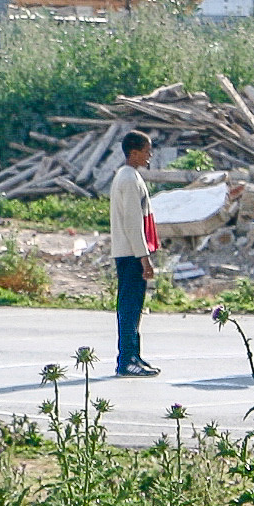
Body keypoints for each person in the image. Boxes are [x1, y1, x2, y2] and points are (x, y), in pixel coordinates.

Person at [108, 129, 158, 376]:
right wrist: (144, 258)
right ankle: (126, 359)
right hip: (130, 254)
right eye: (147, 151)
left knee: (135, 306)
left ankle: (134, 355)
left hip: (131, 252)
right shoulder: (128, 179)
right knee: (129, 307)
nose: (150, 155)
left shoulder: (131, 176)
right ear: (134, 152)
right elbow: (132, 223)